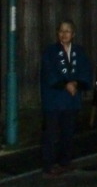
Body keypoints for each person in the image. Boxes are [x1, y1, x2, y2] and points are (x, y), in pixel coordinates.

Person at [40, 19, 93, 177]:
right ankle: (49, 166)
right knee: (51, 134)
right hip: (54, 99)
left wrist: (77, 83)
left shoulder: (79, 52)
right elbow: (49, 73)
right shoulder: (50, 51)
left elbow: (86, 71)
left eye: (67, 31)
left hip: (71, 99)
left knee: (68, 132)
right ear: (57, 33)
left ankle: (65, 161)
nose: (64, 34)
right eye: (61, 31)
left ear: (73, 34)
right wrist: (65, 84)